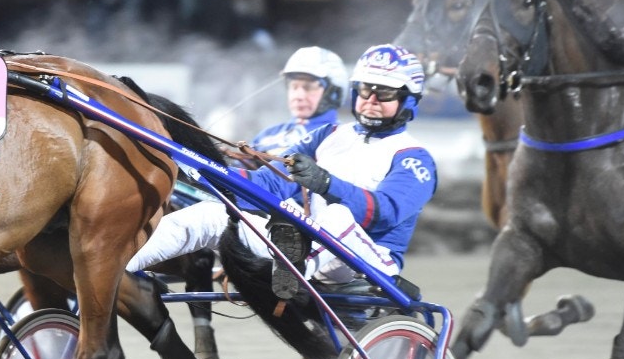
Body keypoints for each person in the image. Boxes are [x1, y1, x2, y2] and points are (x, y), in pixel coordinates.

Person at [127, 44, 436, 292]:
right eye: (365, 90)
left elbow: (385, 213)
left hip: (367, 263)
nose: (371, 100)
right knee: (207, 216)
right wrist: (196, 170)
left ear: (408, 101)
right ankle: (112, 265)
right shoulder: (326, 136)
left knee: (335, 214)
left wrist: (326, 183)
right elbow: (269, 185)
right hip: (305, 245)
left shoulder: (414, 158)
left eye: (384, 94)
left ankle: (294, 268)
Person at [248, 47, 347, 156]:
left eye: (309, 87)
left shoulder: (342, 137)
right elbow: (239, 170)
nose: (298, 96)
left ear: (333, 93)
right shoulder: (267, 135)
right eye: (294, 86)